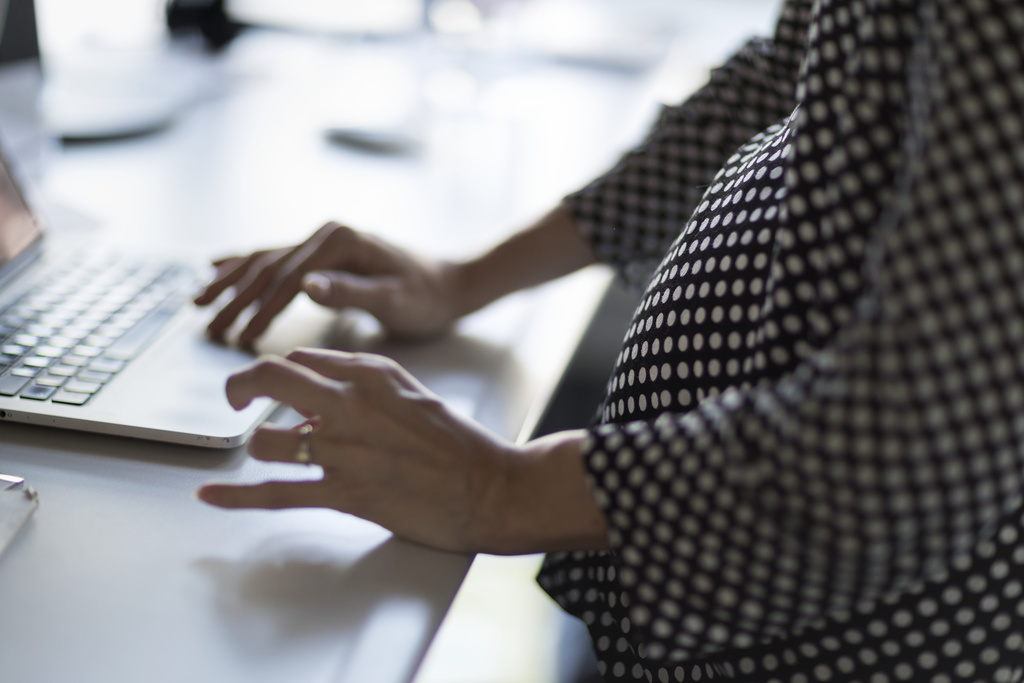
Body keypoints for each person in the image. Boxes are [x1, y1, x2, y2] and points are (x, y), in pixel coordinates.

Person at [195, 0, 1024, 680]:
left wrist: (499, 489)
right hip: (714, 596)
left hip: (860, 639)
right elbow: (791, 78)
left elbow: (910, 445)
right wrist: (466, 278)